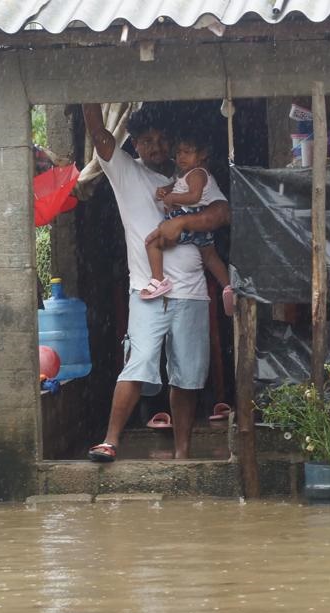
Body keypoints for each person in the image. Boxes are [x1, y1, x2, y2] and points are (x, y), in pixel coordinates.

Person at [82, 103, 231, 462]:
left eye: (164, 141)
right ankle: (110, 441)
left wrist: (181, 224)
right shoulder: (125, 171)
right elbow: (100, 135)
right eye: (147, 141)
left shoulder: (193, 178)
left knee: (187, 376)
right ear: (133, 143)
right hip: (147, 293)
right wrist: (87, 98)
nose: (156, 148)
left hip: (192, 294)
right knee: (139, 362)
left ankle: (182, 452)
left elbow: (222, 213)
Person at [143, 132, 235, 315]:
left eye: (187, 152)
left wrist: (172, 198)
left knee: (152, 242)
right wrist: (166, 190)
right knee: (210, 256)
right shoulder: (186, 175)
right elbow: (178, 186)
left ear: (202, 155)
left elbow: (194, 196)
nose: (181, 157)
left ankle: (158, 280)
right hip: (199, 224)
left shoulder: (198, 174)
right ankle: (228, 287)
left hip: (187, 218)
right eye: (178, 153)